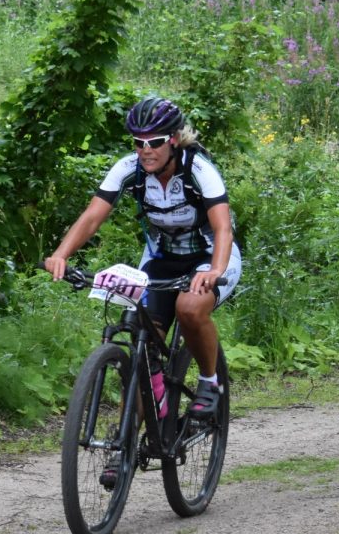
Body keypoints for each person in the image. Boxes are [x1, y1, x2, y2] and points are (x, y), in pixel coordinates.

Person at [43, 96, 242, 421]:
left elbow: (222, 228)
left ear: (173, 140)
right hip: (162, 256)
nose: (146, 150)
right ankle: (133, 433)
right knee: (141, 335)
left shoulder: (199, 170)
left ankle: (210, 382)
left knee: (190, 307)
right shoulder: (128, 169)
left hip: (210, 254)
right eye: (139, 142)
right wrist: (60, 255)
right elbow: (92, 217)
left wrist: (215, 270)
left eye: (155, 142)